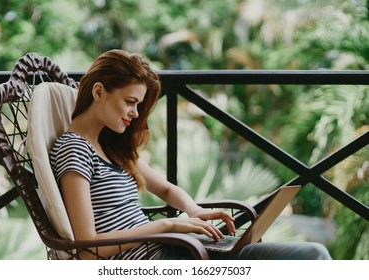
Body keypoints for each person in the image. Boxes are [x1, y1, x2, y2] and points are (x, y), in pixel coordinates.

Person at [49, 49, 331, 260]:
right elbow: (87, 248)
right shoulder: (75, 149)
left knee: (311, 255)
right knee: (309, 258)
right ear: (99, 92)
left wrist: (194, 211)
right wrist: (168, 225)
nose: (135, 114)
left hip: (173, 252)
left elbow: (168, 189)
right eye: (130, 102)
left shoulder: (111, 147)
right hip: (157, 259)